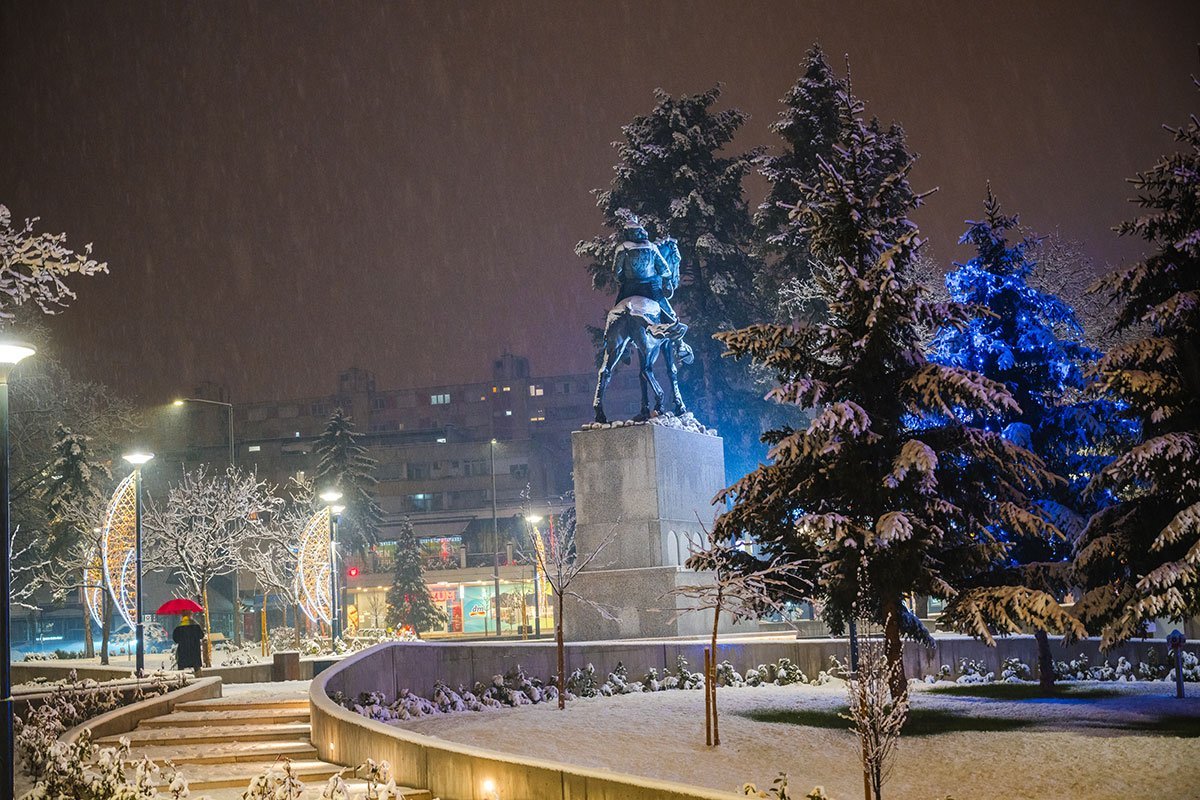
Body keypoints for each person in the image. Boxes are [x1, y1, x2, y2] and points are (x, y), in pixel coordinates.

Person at [612, 217, 692, 362]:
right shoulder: (652, 248)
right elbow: (665, 270)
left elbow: (616, 273)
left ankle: (620, 346)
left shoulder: (622, 249)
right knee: (670, 315)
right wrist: (663, 278)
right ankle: (680, 347)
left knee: (616, 315)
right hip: (650, 289)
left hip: (629, 289)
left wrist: (625, 279)